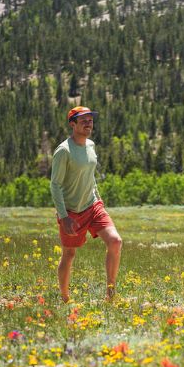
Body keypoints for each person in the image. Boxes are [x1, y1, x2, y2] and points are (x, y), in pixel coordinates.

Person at [50, 107, 122, 302]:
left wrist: (98, 198)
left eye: (90, 120)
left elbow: (91, 177)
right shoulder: (64, 151)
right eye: (83, 120)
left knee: (115, 241)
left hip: (93, 205)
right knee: (69, 254)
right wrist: (64, 216)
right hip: (71, 212)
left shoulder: (90, 145)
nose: (88, 123)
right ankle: (65, 298)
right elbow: (55, 185)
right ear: (72, 124)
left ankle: (110, 293)